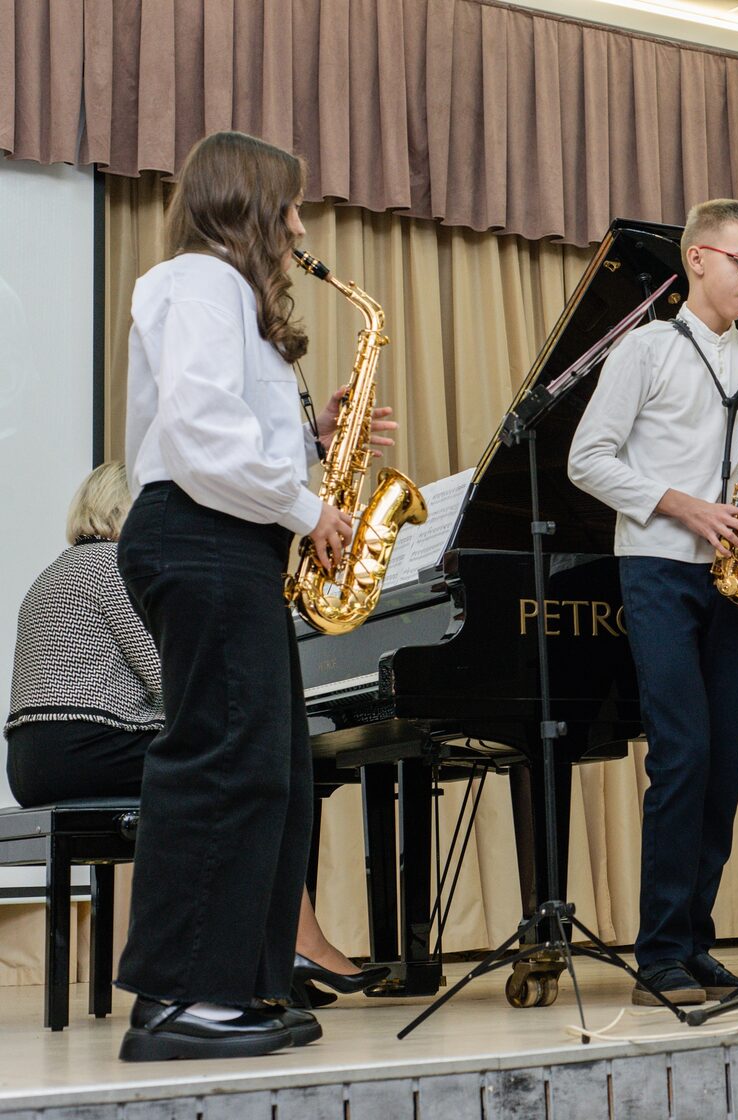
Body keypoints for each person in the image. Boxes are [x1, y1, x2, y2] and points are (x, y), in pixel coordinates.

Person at [114, 129, 395, 1060]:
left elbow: (221, 424)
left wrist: (311, 440)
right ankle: (180, 1000)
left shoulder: (225, 295)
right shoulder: (199, 280)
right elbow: (201, 432)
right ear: (250, 206)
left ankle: (236, 985)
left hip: (227, 537)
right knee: (223, 760)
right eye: (291, 207)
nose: (300, 227)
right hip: (202, 534)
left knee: (269, 768)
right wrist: (309, 507)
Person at [4, 461, 387, 1013]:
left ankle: (272, 951)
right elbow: (176, 675)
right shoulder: (113, 564)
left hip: (36, 759)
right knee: (253, 766)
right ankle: (296, 945)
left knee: (242, 762)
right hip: (88, 744)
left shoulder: (62, 569)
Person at [568, 199, 738, 1006]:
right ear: (696, 258)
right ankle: (658, 953)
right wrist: (681, 504)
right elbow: (587, 459)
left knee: (723, 764)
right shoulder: (647, 347)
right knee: (682, 755)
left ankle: (695, 942)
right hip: (659, 566)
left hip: (737, 575)